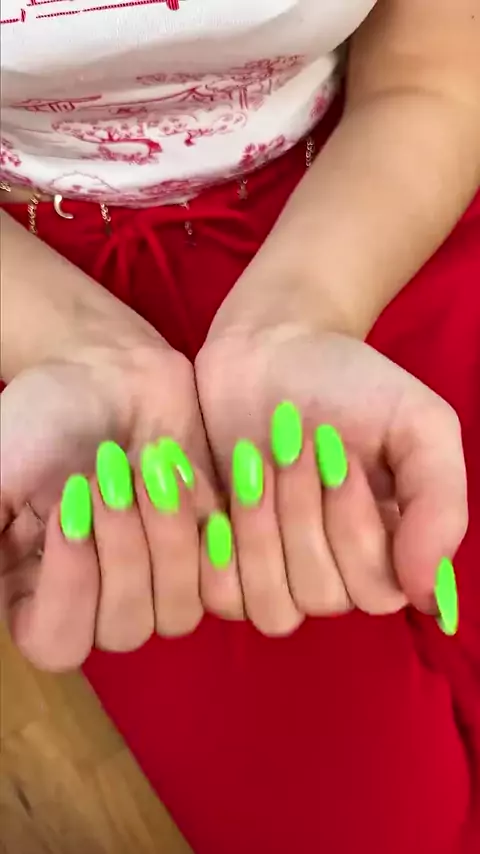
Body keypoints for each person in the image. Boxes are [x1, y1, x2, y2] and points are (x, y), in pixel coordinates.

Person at [1, 1, 479, 851]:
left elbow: (434, 67)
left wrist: (305, 307)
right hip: (33, 296)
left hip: (380, 188)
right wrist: (66, 343)